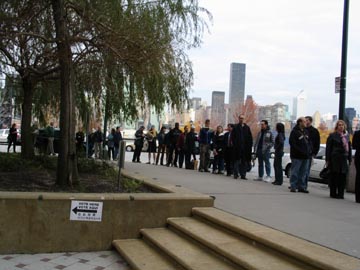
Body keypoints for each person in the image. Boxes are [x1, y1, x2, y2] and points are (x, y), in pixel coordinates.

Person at [326, 120, 352, 199]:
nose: (341, 127)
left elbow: (349, 148)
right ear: (337, 127)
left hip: (343, 159)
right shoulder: (332, 135)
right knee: (334, 176)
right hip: (335, 158)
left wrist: (349, 159)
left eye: (342, 125)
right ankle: (333, 193)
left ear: (344, 127)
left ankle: (341, 194)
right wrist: (328, 159)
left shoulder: (347, 136)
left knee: (342, 177)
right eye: (339, 125)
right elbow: (328, 148)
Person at [289, 117, 312, 193]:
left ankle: (301, 187)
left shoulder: (306, 131)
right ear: (300, 122)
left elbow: (309, 142)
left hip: (306, 156)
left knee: (303, 172)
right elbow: (292, 143)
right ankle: (293, 186)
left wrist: (309, 150)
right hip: (297, 156)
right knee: (295, 171)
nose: (306, 123)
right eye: (304, 121)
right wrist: (300, 151)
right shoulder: (294, 132)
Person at [304, 116, 321, 190]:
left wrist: (314, 153)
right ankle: (298, 184)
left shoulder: (314, 131)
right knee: (300, 170)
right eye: (305, 120)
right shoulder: (302, 130)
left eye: (307, 120)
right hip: (301, 152)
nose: (305, 122)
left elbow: (317, 143)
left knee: (306, 170)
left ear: (310, 121)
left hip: (309, 153)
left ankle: (304, 185)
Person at [353, 129, 360, 203]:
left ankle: (358, 197)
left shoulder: (357, 133)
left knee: (358, 176)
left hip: (358, 156)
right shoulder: (357, 133)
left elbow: (354, 145)